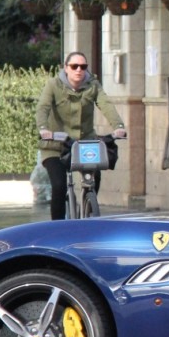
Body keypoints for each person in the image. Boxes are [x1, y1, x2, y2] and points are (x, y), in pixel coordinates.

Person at [37, 52, 127, 220]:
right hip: (56, 146)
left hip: (84, 144)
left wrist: (119, 127)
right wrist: (43, 129)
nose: (79, 70)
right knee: (59, 186)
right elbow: (43, 107)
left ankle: (89, 206)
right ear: (66, 68)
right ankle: (57, 227)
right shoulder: (53, 85)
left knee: (96, 175)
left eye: (83, 67)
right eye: (74, 66)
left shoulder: (93, 85)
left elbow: (106, 104)